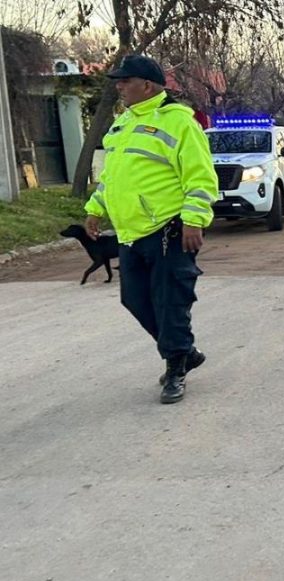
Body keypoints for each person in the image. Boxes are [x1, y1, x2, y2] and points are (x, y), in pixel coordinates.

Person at [83, 54, 217, 404]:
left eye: (125, 81)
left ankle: (175, 366)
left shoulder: (178, 122)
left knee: (170, 300)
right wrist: (95, 209)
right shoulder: (123, 124)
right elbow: (112, 177)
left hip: (168, 228)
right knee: (135, 299)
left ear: (148, 84)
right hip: (131, 232)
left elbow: (201, 177)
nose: (119, 86)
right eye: (119, 81)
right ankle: (184, 352)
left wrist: (193, 219)